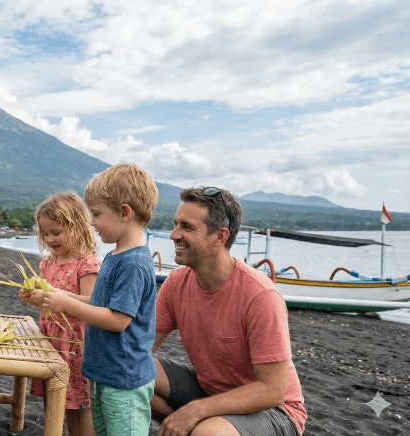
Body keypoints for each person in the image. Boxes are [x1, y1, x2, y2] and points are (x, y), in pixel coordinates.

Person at [151, 187, 306, 436]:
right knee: (130, 371)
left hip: (276, 411)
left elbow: (273, 390)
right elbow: (142, 347)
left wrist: (196, 411)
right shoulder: (176, 283)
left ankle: (199, 429)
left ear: (220, 236)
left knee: (207, 434)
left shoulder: (260, 296)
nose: (173, 235)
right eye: (175, 224)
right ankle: (186, 429)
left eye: (187, 227)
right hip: (211, 392)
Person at [39, 162, 159, 436]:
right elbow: (97, 303)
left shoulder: (134, 264)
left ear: (124, 212)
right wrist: (59, 295)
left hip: (124, 379)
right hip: (103, 373)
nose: (91, 222)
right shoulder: (115, 255)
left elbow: (118, 320)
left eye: (96, 214)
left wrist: (68, 304)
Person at [18, 192, 101, 436]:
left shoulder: (86, 263)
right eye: (45, 233)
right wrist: (34, 297)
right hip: (51, 342)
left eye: (57, 232)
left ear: (76, 226)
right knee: (59, 401)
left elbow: (92, 303)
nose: (50, 239)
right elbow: (47, 301)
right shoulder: (48, 263)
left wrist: (58, 297)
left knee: (81, 404)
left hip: (76, 346)